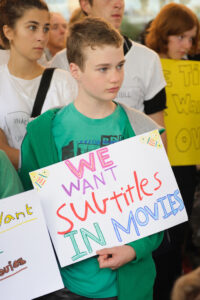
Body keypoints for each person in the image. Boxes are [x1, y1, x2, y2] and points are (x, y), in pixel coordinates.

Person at [19, 17, 164, 300]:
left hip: (128, 285)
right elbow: (27, 210)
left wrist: (135, 248)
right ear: (75, 70)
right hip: (62, 285)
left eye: (120, 66)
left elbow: (159, 208)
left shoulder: (142, 128)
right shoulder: (41, 132)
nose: (115, 77)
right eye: (103, 69)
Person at [50, 0, 167, 146]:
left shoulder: (148, 58)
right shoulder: (60, 62)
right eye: (103, 68)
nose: (118, 4)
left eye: (120, 66)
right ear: (85, 4)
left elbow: (157, 143)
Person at [145, 3, 200, 300]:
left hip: (186, 165)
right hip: (156, 168)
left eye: (191, 38)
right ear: (164, 34)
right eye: (181, 37)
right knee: (159, 241)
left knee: (177, 237)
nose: (187, 45)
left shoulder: (194, 71)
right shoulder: (147, 68)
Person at [0, 0, 77, 169]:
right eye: (32, 27)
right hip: (11, 191)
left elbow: (73, 144)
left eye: (46, 28)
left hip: (58, 187)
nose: (41, 36)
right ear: (9, 31)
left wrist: (12, 154)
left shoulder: (63, 81)